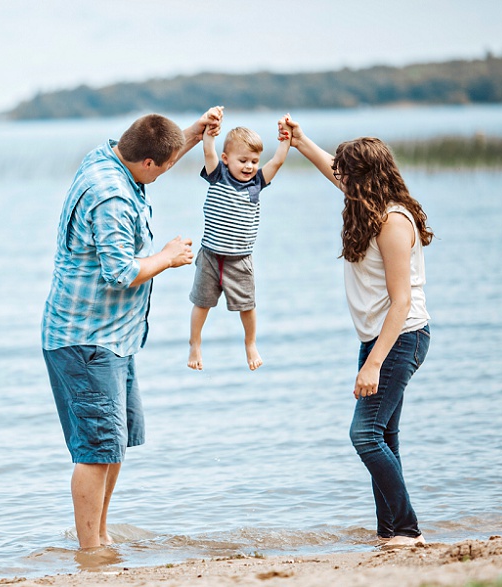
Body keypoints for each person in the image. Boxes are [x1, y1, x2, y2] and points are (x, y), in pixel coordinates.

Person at [42, 108, 224, 551]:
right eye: (162, 169)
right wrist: (167, 256)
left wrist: (193, 133)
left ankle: (100, 536)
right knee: (96, 448)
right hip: (85, 340)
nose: (162, 173)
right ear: (146, 165)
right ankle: (90, 551)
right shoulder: (112, 197)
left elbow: (155, 153)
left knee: (114, 444)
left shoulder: (107, 156)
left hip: (114, 337)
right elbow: (120, 271)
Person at [280, 114, 434, 547]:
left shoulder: (393, 222)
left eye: (345, 171)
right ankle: (391, 533)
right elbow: (330, 165)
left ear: (364, 176)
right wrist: (301, 141)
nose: (339, 176)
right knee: (383, 435)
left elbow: (401, 302)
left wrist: (373, 364)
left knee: (364, 434)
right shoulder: (367, 204)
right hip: (379, 336)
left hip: (401, 336)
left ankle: (407, 529)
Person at [188, 112, 291, 371]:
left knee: (248, 305)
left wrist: (285, 139)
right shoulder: (218, 174)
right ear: (226, 160)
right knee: (202, 303)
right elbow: (209, 150)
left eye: (254, 161)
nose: (249, 166)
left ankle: (250, 343)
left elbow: (277, 162)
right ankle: (195, 343)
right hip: (211, 255)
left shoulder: (257, 182)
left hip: (241, 259)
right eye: (243, 160)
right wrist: (210, 131)